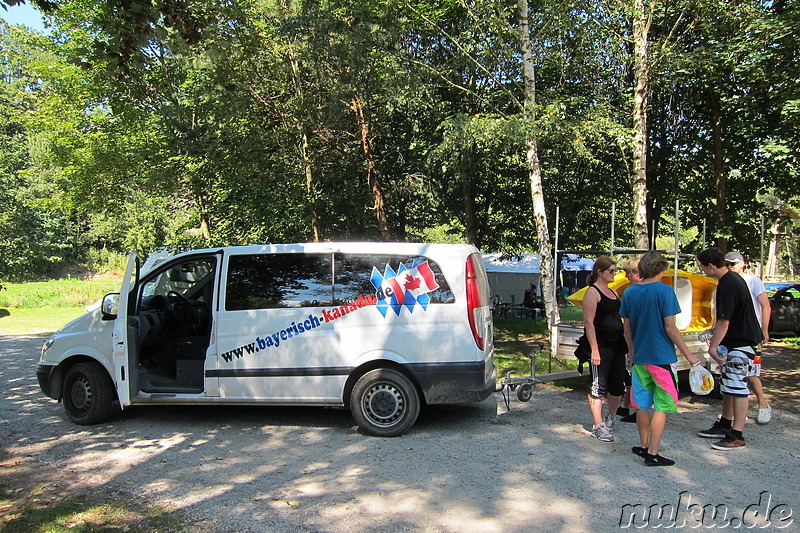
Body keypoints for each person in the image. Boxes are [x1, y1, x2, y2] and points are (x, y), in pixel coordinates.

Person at [620, 251, 701, 466]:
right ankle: (653, 453)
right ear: (660, 269)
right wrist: (689, 354)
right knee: (664, 405)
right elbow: (670, 328)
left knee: (642, 405)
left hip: (639, 359)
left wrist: (631, 352)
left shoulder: (629, 293)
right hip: (661, 357)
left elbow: (627, 330)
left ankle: (643, 445)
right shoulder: (665, 291)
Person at [696, 248, 764, 450]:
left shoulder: (727, 284)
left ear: (710, 265)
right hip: (737, 339)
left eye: (701, 266)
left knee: (737, 387)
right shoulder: (732, 279)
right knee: (728, 384)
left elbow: (725, 321)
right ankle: (725, 423)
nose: (701, 270)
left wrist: (713, 347)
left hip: (740, 342)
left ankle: (737, 434)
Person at [582, 256, 627, 442]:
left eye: (615, 270)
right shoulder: (592, 293)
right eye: (611, 271)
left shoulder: (613, 293)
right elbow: (588, 323)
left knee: (617, 385)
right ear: (600, 272)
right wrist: (594, 350)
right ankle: (598, 424)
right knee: (598, 385)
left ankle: (611, 419)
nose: (614, 274)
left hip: (616, 345)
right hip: (600, 345)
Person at [724, 251, 771, 424]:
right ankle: (729, 416)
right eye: (727, 264)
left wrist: (764, 330)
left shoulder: (753, 281)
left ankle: (762, 403)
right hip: (732, 335)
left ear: (742, 263)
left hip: (750, 334)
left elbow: (765, 305)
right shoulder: (726, 281)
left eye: (733, 264)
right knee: (731, 374)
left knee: (752, 373)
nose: (730, 267)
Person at [616, 257, 641, 424]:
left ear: (637, 274)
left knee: (636, 375)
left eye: (628, 273)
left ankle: (637, 409)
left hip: (636, 338)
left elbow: (627, 325)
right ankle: (625, 405)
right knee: (631, 374)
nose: (626, 277)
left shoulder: (631, 293)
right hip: (640, 337)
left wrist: (628, 347)